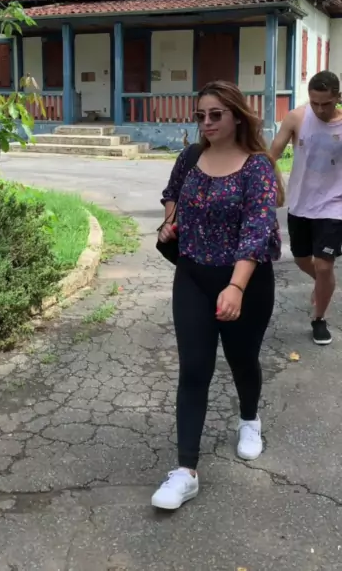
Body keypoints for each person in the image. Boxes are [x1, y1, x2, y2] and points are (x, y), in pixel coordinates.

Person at [152, 80, 283, 512]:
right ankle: (185, 471)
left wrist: (236, 286)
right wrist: (169, 224)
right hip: (192, 276)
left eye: (215, 115)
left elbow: (257, 231)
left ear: (237, 116)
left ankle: (249, 419)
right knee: (194, 368)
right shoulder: (191, 157)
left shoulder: (257, 167)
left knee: (242, 360)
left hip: (246, 281)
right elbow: (172, 196)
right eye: (201, 116)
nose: (206, 123)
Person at [270, 70, 342, 346]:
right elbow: (272, 154)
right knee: (302, 260)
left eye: (326, 103)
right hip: (300, 204)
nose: (320, 109)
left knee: (323, 265)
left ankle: (319, 318)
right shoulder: (297, 117)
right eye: (315, 103)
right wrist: (269, 186)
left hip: (334, 206)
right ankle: (324, 285)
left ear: (338, 97)